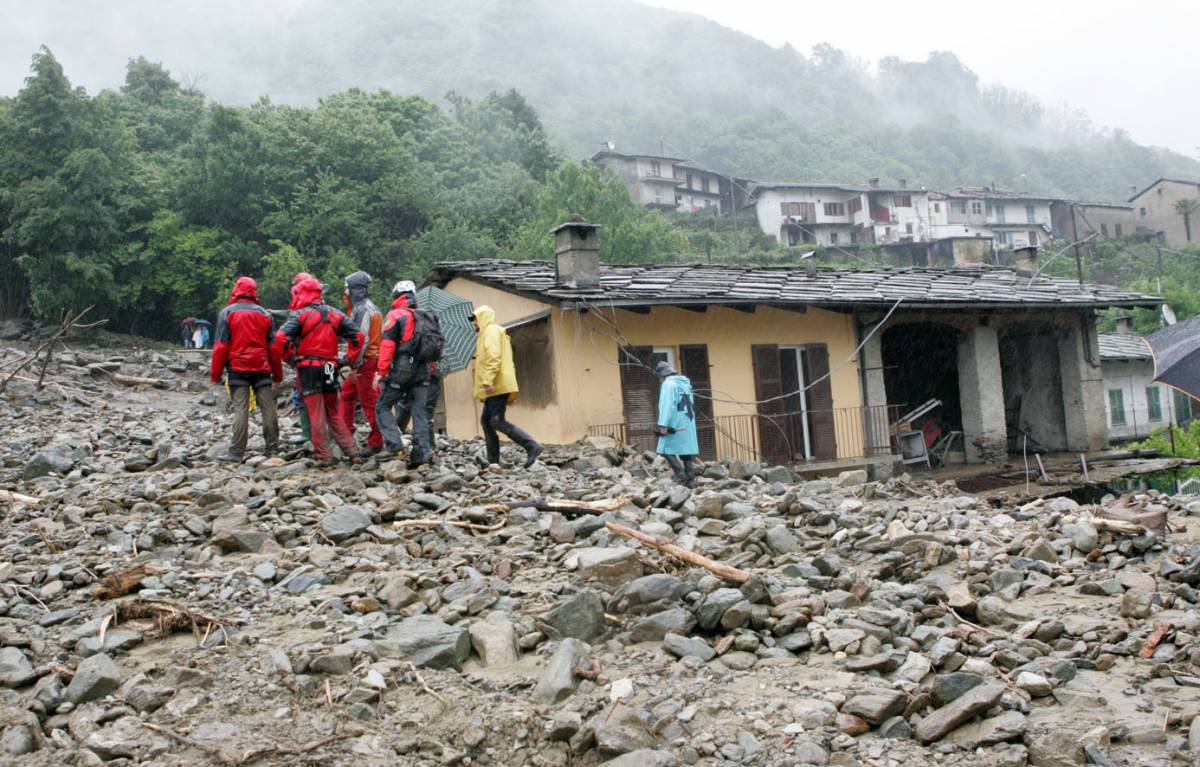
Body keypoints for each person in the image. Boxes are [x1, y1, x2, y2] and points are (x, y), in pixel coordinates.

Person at [272, 277, 363, 466]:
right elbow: (358, 336)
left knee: (316, 413)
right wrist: (347, 359)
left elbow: (280, 338)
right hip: (330, 366)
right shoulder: (335, 314)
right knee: (333, 411)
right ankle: (352, 452)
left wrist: (289, 358)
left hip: (309, 367)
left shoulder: (300, 315)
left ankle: (325, 456)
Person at [209, 277, 282, 462]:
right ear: (254, 291)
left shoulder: (227, 313)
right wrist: (278, 374)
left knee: (240, 408)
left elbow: (221, 347)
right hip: (262, 367)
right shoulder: (265, 314)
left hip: (237, 367)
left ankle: (236, 452)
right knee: (268, 407)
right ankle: (272, 449)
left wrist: (215, 374)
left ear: (237, 290)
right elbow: (273, 347)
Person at [374, 281, 436, 468]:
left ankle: (395, 448)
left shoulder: (395, 315)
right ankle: (421, 453)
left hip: (402, 368)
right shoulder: (428, 315)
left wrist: (381, 372)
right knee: (420, 411)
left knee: (382, 406)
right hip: (424, 369)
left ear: (396, 296)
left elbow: (387, 346)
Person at [472, 305, 543, 468]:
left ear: (482, 318)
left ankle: (532, 446)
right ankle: (493, 461)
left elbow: (494, 357)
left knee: (496, 420)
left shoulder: (490, 332)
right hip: (498, 384)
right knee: (487, 421)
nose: (473, 324)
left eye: (475, 320)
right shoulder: (488, 333)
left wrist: (488, 381)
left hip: (496, 384)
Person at [338, 272, 384, 453]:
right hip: (365, 360)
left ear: (355, 289)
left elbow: (361, 339)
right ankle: (345, 434)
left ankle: (376, 442)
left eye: (348, 288)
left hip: (365, 361)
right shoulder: (367, 308)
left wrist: (350, 361)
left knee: (370, 402)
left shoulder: (363, 309)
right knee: (347, 395)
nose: (346, 292)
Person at [654, 360, 699, 487]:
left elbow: (666, 405)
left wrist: (663, 424)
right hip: (688, 422)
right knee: (685, 451)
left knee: (665, 449)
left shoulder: (668, 385)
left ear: (662, 375)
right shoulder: (685, 384)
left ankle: (681, 474)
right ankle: (690, 480)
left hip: (675, 423)